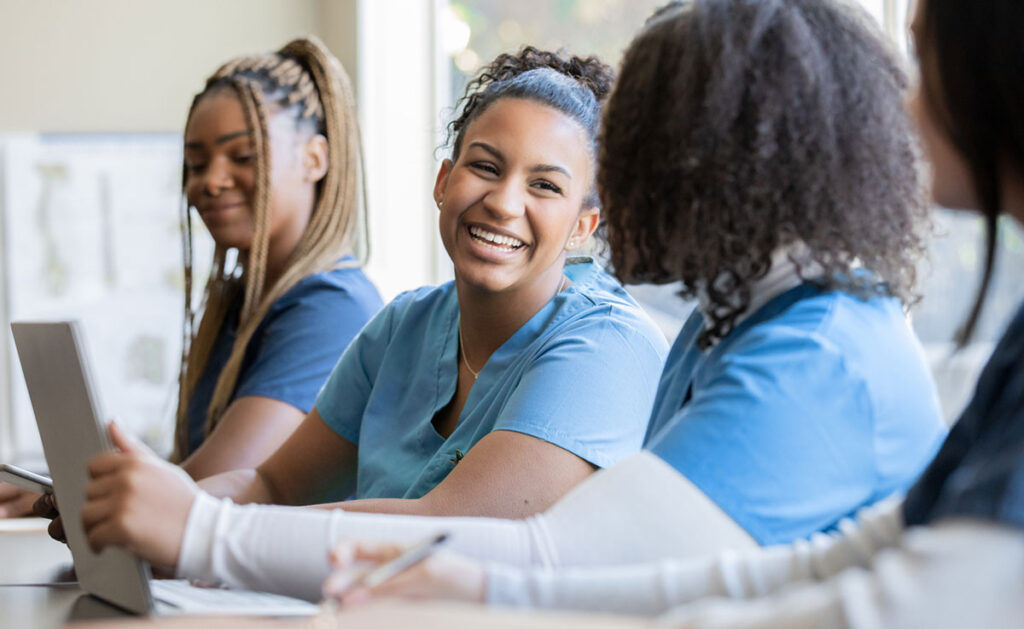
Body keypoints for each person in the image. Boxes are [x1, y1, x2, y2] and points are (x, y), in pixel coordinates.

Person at [72, 0, 947, 603]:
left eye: (636, 148)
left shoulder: (819, 354)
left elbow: (550, 553)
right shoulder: (736, 328)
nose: (617, 193)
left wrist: (206, 535)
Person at [318, 0, 1024, 625]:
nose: (626, 178)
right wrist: (480, 593)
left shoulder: (821, 351)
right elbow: (806, 572)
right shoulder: (722, 326)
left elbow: (564, 560)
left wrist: (216, 534)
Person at [75, 47, 669, 560]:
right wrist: (141, 507)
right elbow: (273, 485)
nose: (504, 202)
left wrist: (198, 527)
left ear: (583, 226)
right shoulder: (404, 327)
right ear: (443, 182)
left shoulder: (609, 347)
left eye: (545, 185)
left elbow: (451, 528)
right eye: (485, 167)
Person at [0, 36, 382, 519]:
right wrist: (56, 489)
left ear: (315, 159)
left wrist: (75, 494)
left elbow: (203, 488)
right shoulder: (242, 304)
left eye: (241, 156)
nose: (210, 180)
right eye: (196, 164)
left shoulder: (332, 306)